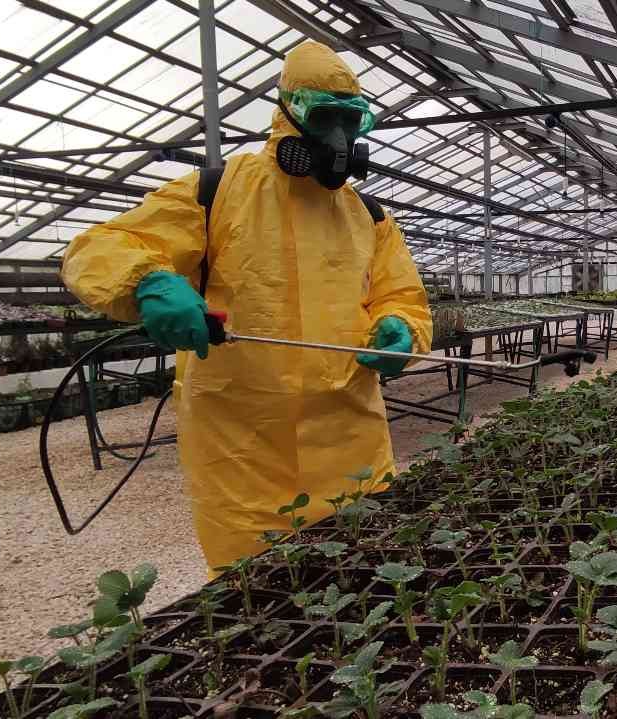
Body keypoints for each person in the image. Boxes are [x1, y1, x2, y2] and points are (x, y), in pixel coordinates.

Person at [61, 41, 432, 575]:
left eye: (350, 123)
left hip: (349, 438)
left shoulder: (370, 217)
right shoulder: (218, 192)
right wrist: (150, 281)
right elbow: (99, 245)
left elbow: (402, 296)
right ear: (288, 114)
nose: (338, 139)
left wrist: (399, 328)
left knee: (364, 575)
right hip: (242, 443)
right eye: (324, 118)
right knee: (251, 590)